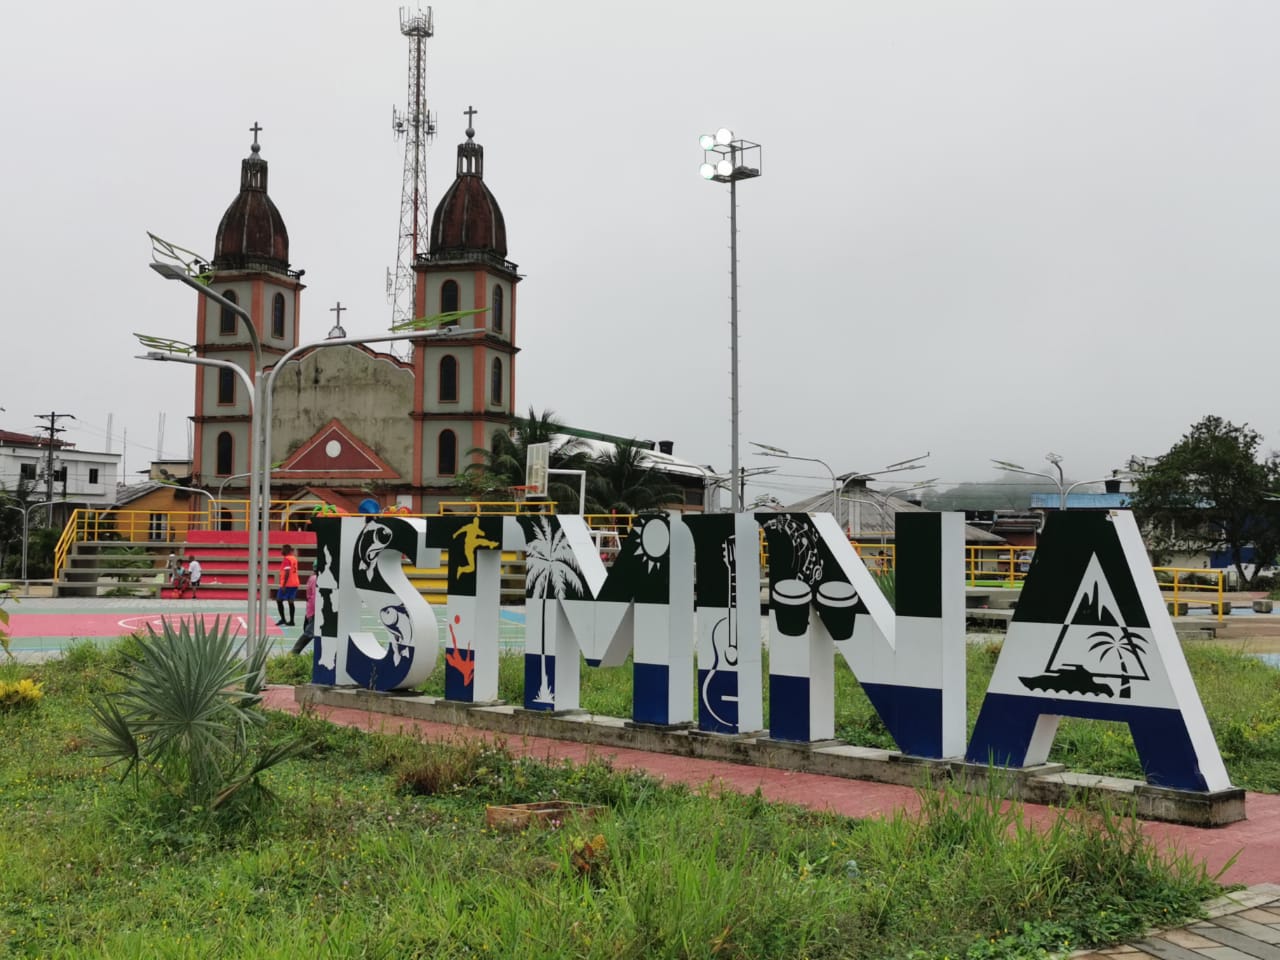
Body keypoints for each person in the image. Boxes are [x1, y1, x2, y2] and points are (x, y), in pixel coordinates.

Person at [290, 561, 319, 655]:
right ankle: (293, 653)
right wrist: (318, 611)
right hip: (315, 611)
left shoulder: (313, 578)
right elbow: (315, 597)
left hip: (312, 610)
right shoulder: (315, 579)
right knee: (309, 633)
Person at [275, 543, 300, 626]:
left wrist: (284, 585)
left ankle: (283, 619)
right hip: (295, 582)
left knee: (279, 600)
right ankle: (292, 621)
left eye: (282, 549)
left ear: (286, 550)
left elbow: (287, 572)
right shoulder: (294, 558)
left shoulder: (287, 559)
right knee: (291, 602)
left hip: (288, 584)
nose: (281, 551)